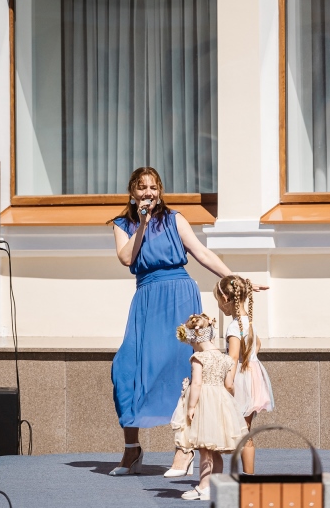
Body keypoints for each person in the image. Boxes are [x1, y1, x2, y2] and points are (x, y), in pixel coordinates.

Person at [108, 167, 236, 476]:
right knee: (125, 370)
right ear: (132, 192)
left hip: (179, 294)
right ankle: (132, 450)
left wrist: (233, 278)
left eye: (153, 187)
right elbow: (127, 258)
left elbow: (201, 252)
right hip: (147, 298)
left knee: (187, 370)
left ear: (160, 191)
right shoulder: (122, 224)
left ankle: (186, 449)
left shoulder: (175, 219)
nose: (148, 192)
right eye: (142, 187)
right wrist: (141, 224)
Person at [170, 313, 248, 501]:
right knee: (215, 449)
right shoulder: (224, 358)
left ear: (195, 339)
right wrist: (228, 403)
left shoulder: (199, 358)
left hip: (204, 404)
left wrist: (191, 407)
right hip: (220, 402)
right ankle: (215, 486)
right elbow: (229, 384)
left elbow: (196, 384)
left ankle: (204, 487)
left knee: (205, 448)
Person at [213, 275, 274, 474]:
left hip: (238, 380)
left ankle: (213, 476)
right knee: (245, 431)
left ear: (225, 300)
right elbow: (257, 344)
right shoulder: (249, 323)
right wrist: (251, 360)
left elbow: (232, 357)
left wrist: (228, 383)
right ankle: (249, 475)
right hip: (252, 378)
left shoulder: (233, 328)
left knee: (227, 430)